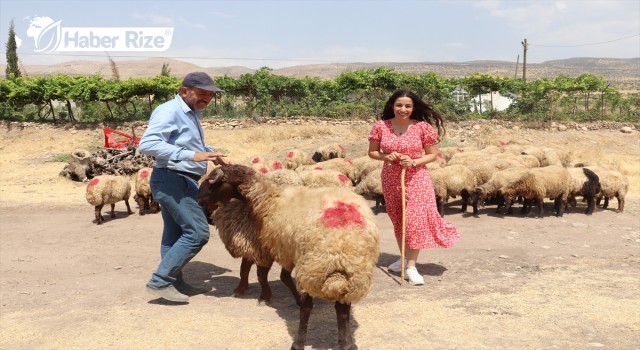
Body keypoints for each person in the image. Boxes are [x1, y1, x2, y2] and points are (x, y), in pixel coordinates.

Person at [139, 71, 227, 303]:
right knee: (198, 233)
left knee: (174, 233)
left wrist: (209, 152)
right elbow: (148, 144)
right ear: (184, 91)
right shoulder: (170, 110)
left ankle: (174, 283)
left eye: (209, 95)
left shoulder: (191, 113)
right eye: (202, 93)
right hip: (172, 179)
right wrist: (193, 155)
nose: (206, 99)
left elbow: (185, 142)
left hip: (181, 178)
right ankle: (160, 281)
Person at [367, 89, 460, 286]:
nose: (403, 109)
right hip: (391, 178)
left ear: (413, 108)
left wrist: (415, 162)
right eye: (399, 105)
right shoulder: (381, 127)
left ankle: (411, 267)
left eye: (408, 106)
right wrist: (386, 156)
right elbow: (372, 152)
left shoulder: (422, 127)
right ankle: (403, 257)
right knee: (398, 219)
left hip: (417, 178)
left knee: (414, 221)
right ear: (392, 106)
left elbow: (432, 154)